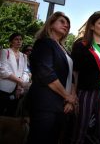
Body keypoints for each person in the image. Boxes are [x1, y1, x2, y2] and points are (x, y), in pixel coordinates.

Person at [26, 12, 76, 144]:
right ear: (51, 24)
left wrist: (71, 100)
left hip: (62, 105)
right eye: (62, 21)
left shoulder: (66, 50)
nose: (66, 25)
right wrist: (67, 96)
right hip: (45, 103)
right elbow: (46, 73)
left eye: (68, 24)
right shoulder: (44, 43)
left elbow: (72, 78)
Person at [71, 12, 100, 144]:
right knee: (80, 128)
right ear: (92, 26)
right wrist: (73, 94)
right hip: (86, 92)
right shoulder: (81, 45)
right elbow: (75, 72)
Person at [0, 33, 30, 116]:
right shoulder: (5, 52)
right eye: (16, 39)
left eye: (20, 39)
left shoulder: (24, 56)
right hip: (4, 89)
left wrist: (19, 87)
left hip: (17, 90)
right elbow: (3, 71)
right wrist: (20, 81)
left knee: (11, 113)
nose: (19, 41)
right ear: (11, 41)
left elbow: (25, 72)